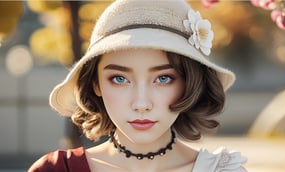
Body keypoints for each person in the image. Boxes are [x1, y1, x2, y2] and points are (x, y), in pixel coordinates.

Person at [28, 0, 247, 171]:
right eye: (120, 79)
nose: (141, 104)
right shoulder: (55, 170)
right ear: (96, 85)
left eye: (163, 78)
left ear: (190, 83)